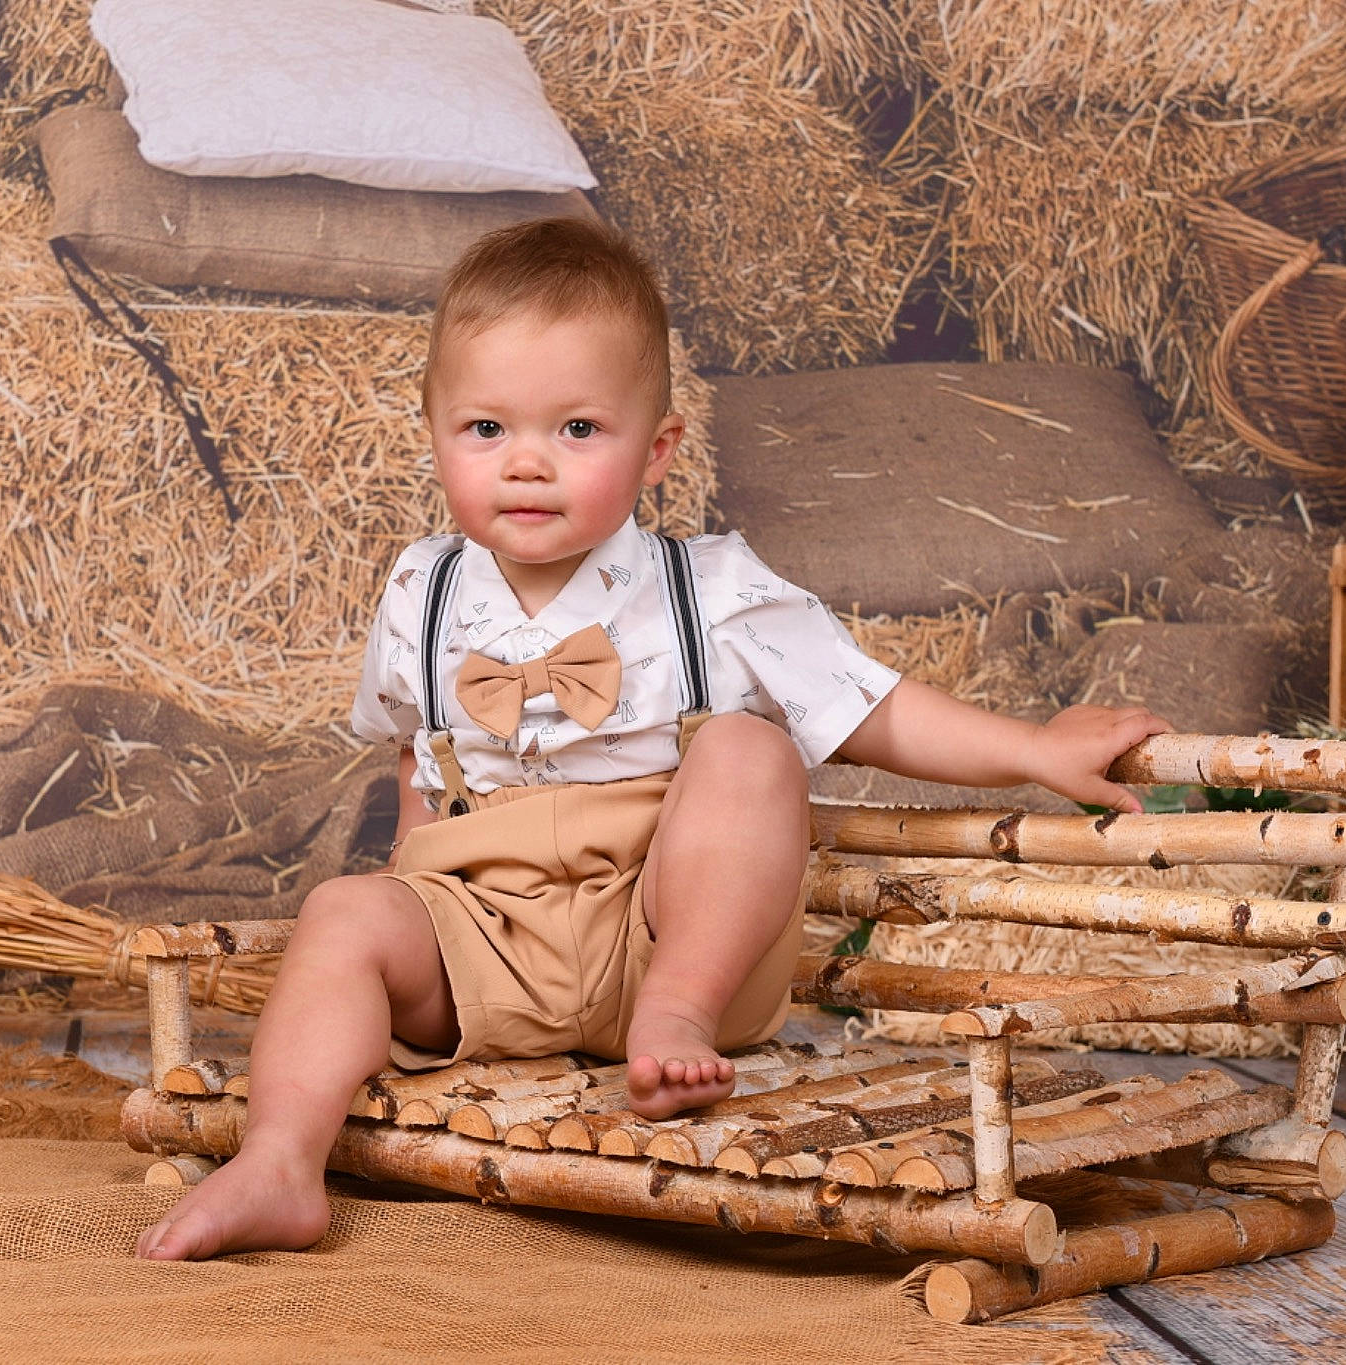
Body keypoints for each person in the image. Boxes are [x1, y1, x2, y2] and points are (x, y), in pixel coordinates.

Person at [135, 217, 1167, 1261]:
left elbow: (869, 707)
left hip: (666, 925)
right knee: (343, 913)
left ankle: (672, 1019)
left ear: (658, 448)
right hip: (482, 927)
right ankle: (280, 1160)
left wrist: (1033, 749)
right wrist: (411, 882)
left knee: (749, 750)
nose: (526, 463)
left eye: (577, 429)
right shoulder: (420, 588)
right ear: (433, 431)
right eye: (485, 428)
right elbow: (417, 753)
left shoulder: (709, 590)